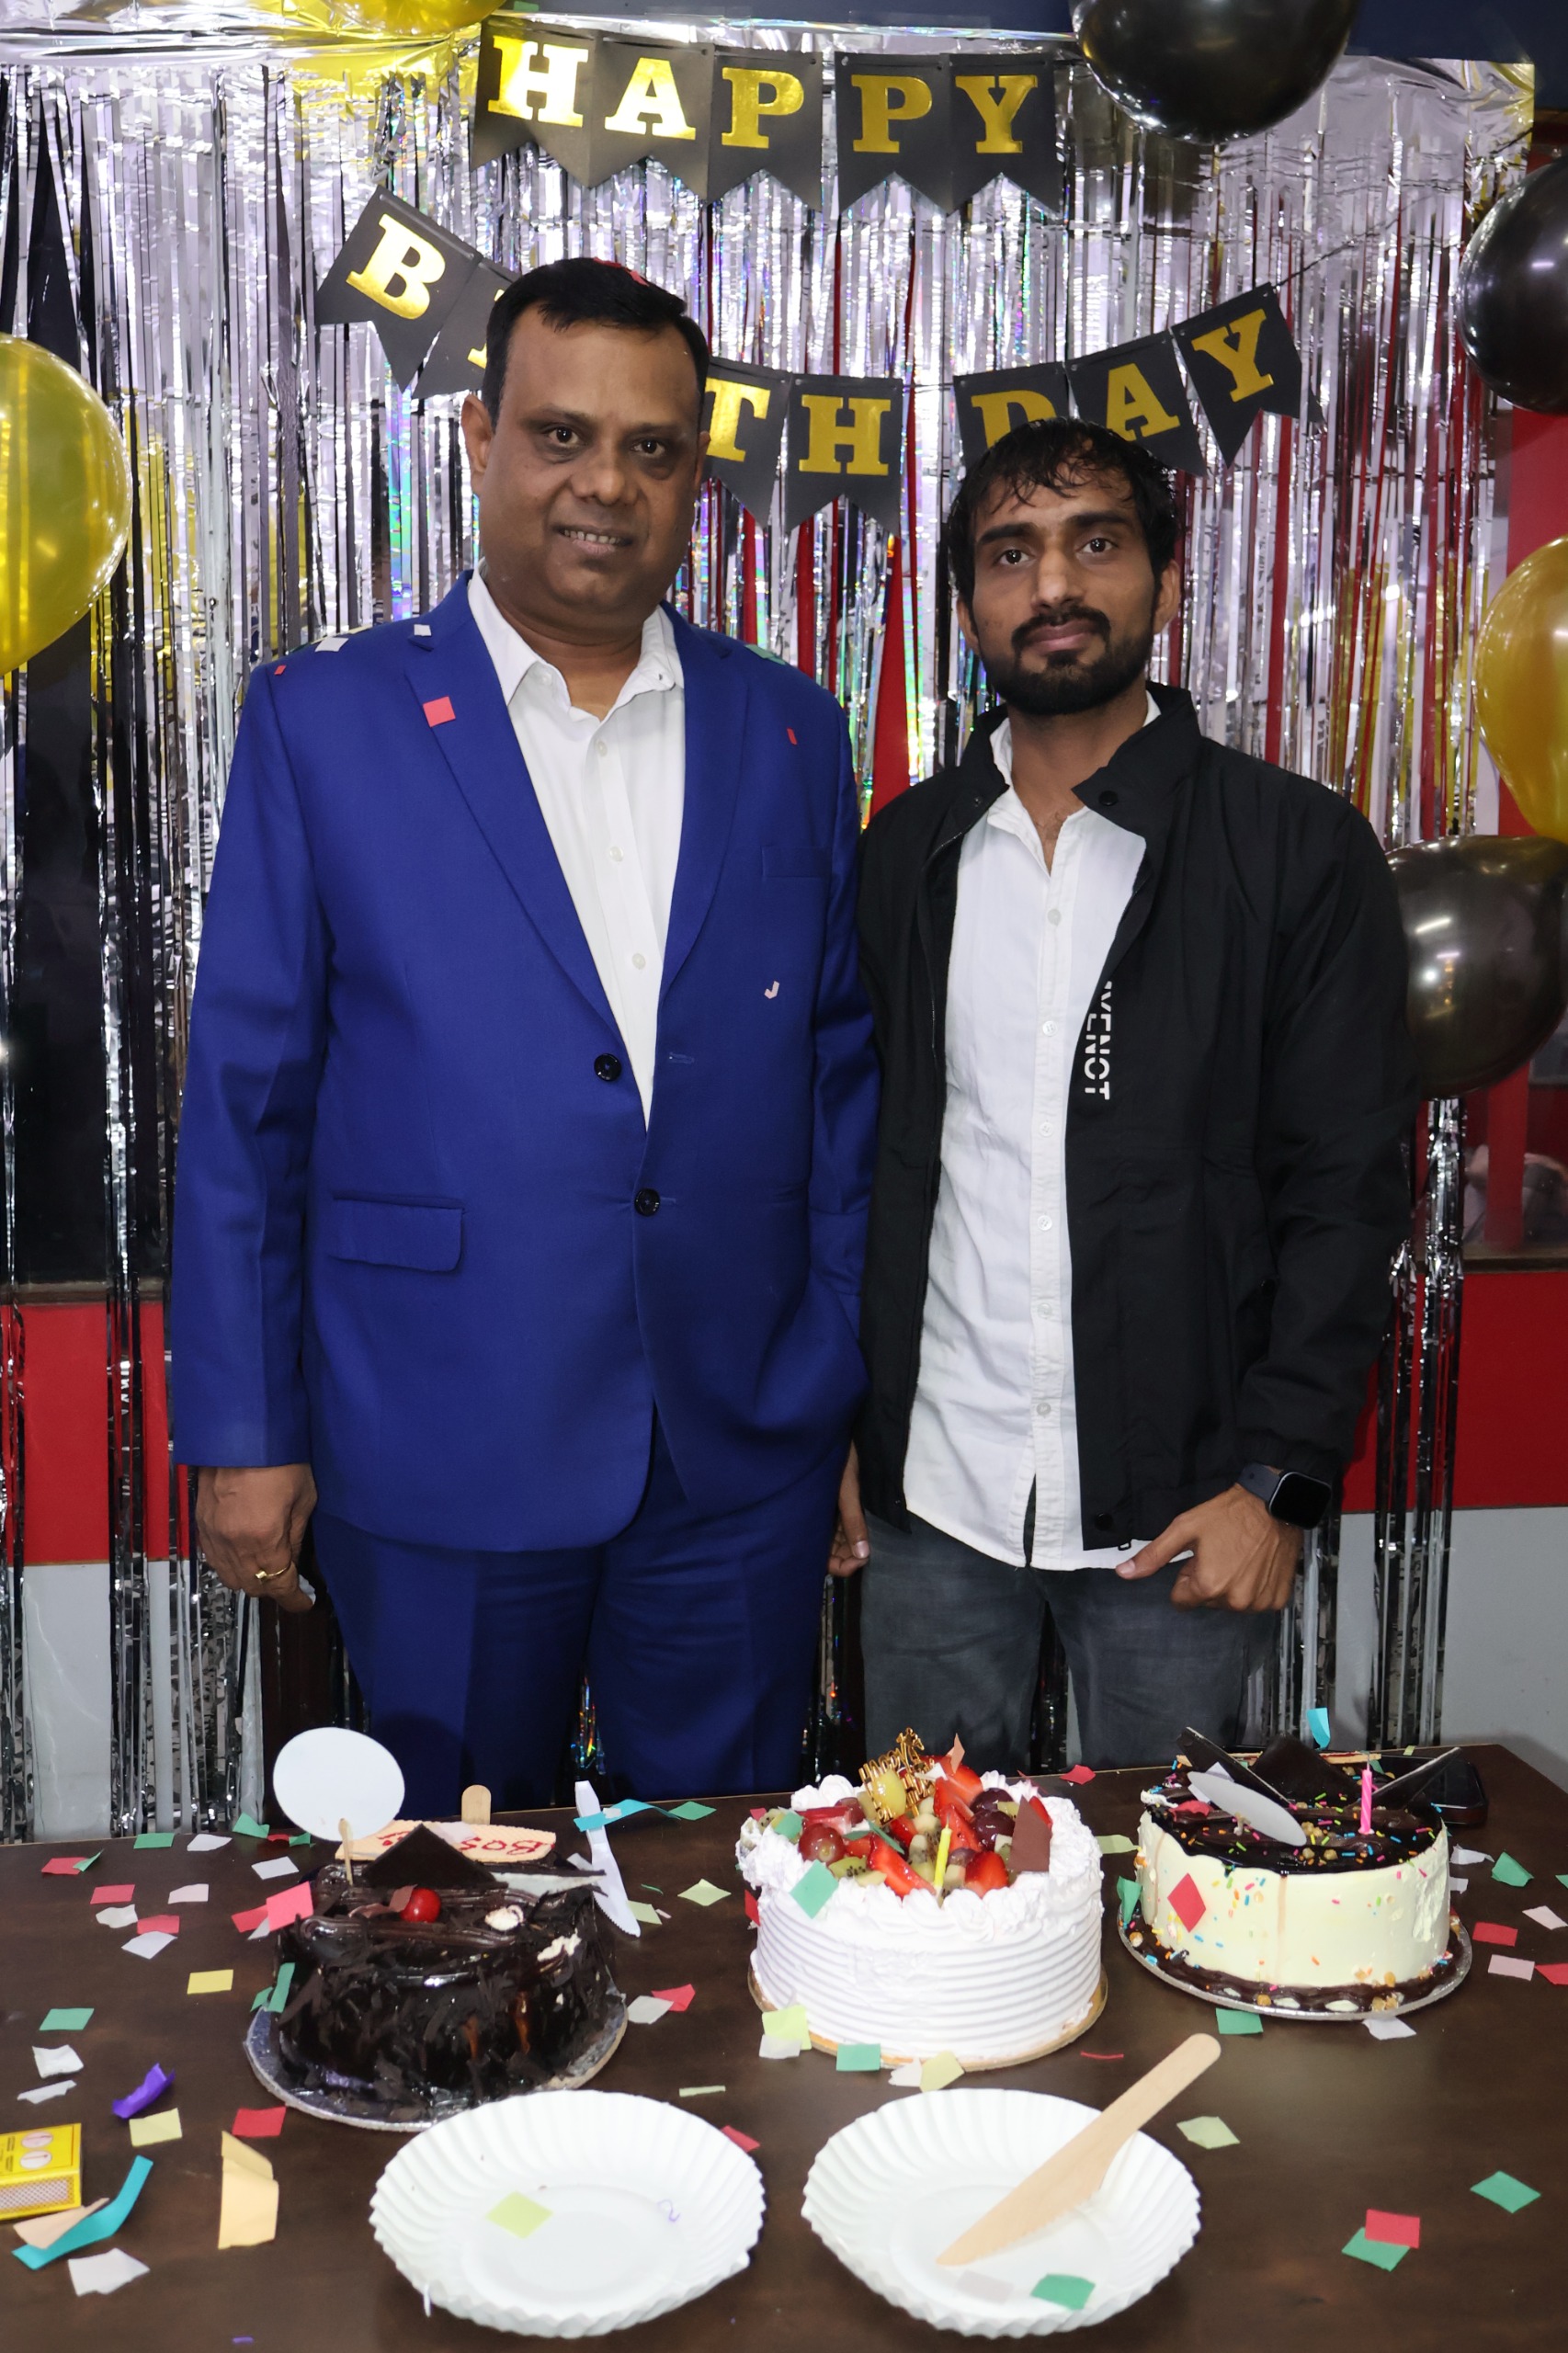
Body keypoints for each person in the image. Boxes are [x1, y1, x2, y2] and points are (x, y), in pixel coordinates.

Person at [172, 257, 877, 1812]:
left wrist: (829, 1386)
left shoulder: (787, 729)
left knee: (719, 1875)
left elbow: (836, 1090)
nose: (604, 485)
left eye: (651, 448)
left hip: (735, 1453)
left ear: (694, 476)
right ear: (482, 437)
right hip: (436, 1431)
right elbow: (246, 1104)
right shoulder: (324, 717)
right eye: (561, 436)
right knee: (449, 1889)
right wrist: (242, 1429)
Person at [834, 416, 1415, 1769]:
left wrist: (1281, 1484)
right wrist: (834, 1436)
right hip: (934, 1504)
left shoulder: (1294, 849)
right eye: (1009, 554)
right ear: (965, 606)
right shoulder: (902, 858)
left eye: (1094, 543)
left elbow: (1345, 1194)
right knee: (922, 1871)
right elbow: (846, 1167)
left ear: (1165, 578)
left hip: (1191, 1511)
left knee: (1184, 1864)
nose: (1052, 586)